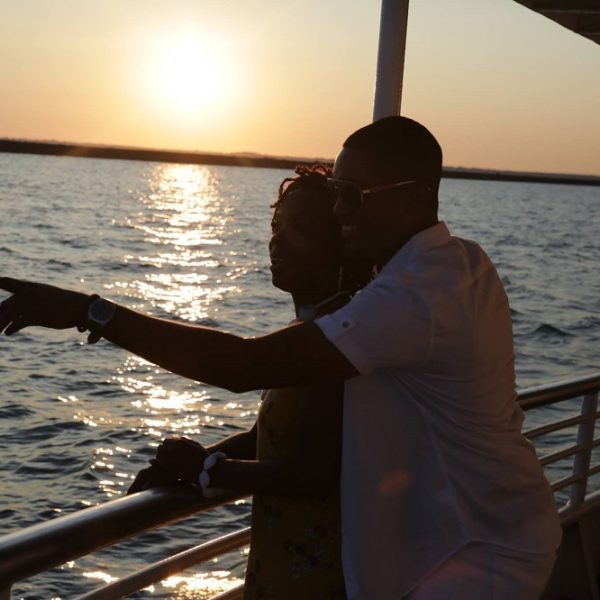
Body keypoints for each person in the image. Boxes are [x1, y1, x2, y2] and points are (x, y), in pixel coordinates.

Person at [0, 116, 561, 599]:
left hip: (477, 552)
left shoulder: (415, 296)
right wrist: (211, 460)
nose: (340, 211)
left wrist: (88, 310)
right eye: (337, 191)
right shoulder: (451, 264)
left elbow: (242, 367)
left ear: (414, 196)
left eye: (354, 196)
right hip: (471, 533)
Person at [129, 165, 371, 599]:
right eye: (276, 225)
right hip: (284, 556)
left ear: (340, 243)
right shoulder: (313, 327)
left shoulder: (335, 337)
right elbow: (268, 438)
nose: (277, 239)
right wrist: (193, 459)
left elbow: (314, 473)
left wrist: (207, 469)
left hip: (317, 574)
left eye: (300, 227)